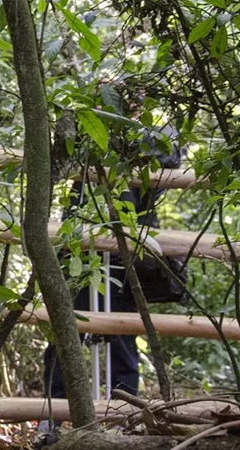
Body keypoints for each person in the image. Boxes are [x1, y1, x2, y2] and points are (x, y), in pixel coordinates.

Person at [42, 89, 184, 408]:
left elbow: (171, 155)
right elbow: (58, 157)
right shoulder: (82, 143)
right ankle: (54, 411)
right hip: (77, 254)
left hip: (125, 256)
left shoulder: (147, 142)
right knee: (67, 331)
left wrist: (129, 132)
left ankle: (124, 410)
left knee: (121, 334)